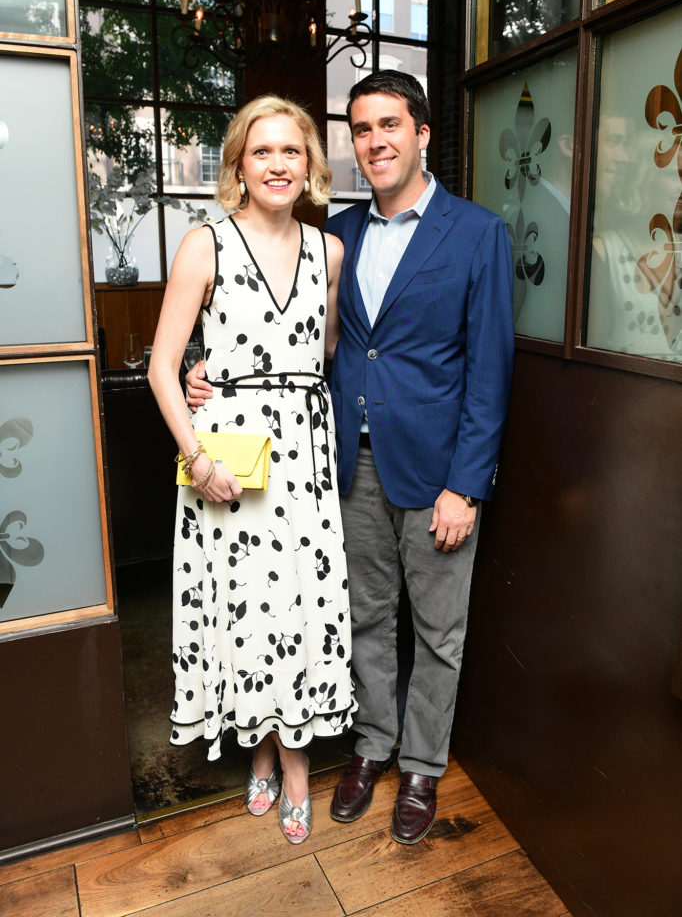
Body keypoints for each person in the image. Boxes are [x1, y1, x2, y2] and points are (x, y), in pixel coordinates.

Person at [187, 71, 515, 845]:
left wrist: (466, 486)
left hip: (436, 473)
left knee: (438, 631)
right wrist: (208, 370)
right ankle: (371, 747)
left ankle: (422, 767)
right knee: (363, 616)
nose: (375, 141)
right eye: (362, 129)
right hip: (343, 464)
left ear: (423, 134)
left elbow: (490, 372)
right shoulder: (336, 237)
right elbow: (300, 344)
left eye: (390, 125)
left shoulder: (477, 233)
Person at [148, 95, 355, 846]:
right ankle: (261, 748)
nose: (277, 164)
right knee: (245, 609)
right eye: (261, 151)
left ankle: (292, 759)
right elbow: (162, 368)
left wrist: (233, 369)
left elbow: (323, 350)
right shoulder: (204, 245)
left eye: (290, 151)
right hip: (226, 458)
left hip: (304, 455)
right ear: (238, 163)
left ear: (309, 165)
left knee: (298, 607)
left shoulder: (329, 251)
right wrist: (197, 457)